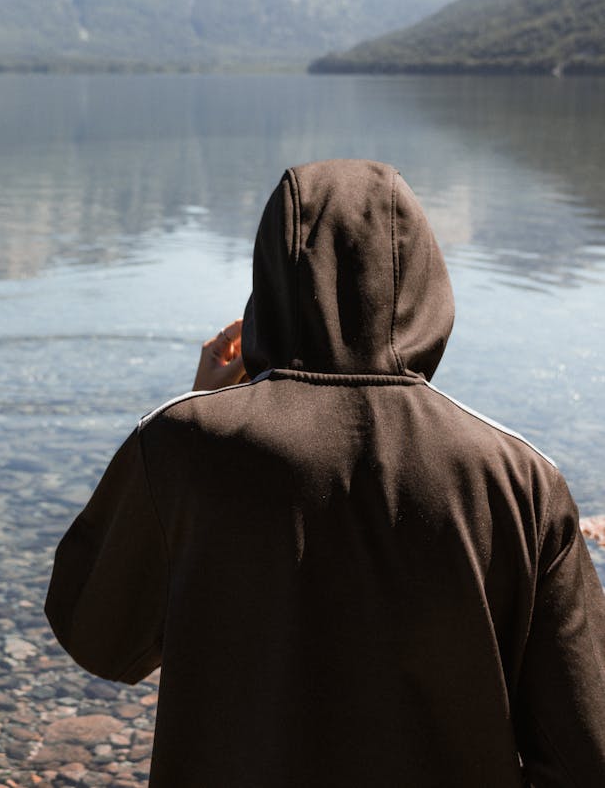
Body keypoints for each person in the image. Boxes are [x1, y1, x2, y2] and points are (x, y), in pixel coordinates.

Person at [46, 159, 605, 787]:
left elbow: (99, 639)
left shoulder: (182, 447)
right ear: (426, 285)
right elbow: (585, 751)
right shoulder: (520, 478)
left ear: (269, 283)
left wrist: (196, 413)